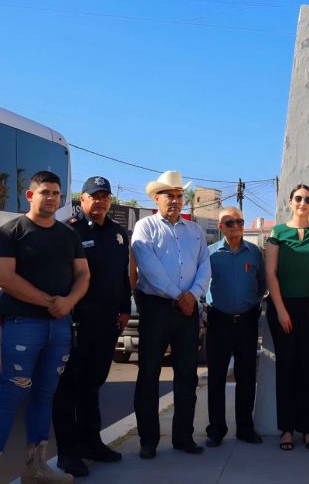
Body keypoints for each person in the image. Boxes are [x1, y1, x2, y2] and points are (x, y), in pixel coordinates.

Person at [0, 171, 89, 484]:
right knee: (12, 395)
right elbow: (5, 278)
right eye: (45, 192)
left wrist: (67, 303)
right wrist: (50, 301)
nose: (51, 198)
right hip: (23, 325)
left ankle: (35, 467)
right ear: (30, 196)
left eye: (56, 193)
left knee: (44, 395)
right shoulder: (10, 232)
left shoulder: (69, 235)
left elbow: (83, 275)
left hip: (61, 327)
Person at [52, 176, 132, 477]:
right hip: (78, 319)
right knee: (68, 387)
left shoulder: (117, 233)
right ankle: (67, 452)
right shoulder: (69, 230)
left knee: (93, 384)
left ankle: (91, 443)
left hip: (108, 320)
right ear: (82, 200)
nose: (99, 201)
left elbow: (122, 276)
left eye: (104, 196)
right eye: (93, 196)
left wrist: (125, 308)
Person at [132, 170, 211, 459]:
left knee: (187, 376)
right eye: (170, 195)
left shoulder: (195, 231)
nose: (176, 201)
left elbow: (205, 266)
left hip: (188, 310)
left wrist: (194, 295)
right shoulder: (145, 227)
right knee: (149, 374)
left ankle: (183, 437)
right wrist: (179, 295)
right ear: (157, 198)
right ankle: (148, 440)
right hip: (156, 308)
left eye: (179, 196)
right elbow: (149, 268)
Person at [265, 184, 309, 451]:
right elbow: (271, 274)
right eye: (298, 199)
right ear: (290, 203)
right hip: (284, 307)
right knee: (286, 368)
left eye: (308, 199)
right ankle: (287, 429)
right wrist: (281, 310)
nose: (303, 203)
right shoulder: (278, 233)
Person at [204, 207, 266, 447]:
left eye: (239, 221)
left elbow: (261, 285)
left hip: (247, 321)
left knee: (247, 376)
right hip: (219, 320)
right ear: (221, 227)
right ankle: (216, 429)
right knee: (217, 377)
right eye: (229, 223)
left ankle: (245, 428)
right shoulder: (209, 254)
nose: (236, 226)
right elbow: (202, 283)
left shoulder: (255, 253)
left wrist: (251, 304)